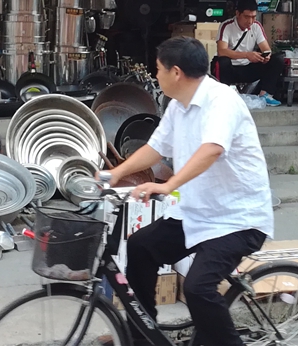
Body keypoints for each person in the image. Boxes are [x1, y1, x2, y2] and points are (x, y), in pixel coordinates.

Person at [106, 37, 274, 346]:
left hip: (237, 219)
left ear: (176, 73)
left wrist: (168, 184)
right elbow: (156, 147)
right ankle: (145, 337)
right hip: (196, 212)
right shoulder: (177, 106)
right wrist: (114, 174)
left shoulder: (222, 100)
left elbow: (212, 149)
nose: (155, 75)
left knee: (197, 289)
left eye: (158, 69)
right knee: (141, 248)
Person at [213, 0, 284, 106]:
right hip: (232, 69)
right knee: (223, 61)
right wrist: (246, 55)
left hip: (249, 67)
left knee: (277, 59)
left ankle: (265, 95)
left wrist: (265, 56)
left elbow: (266, 48)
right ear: (238, 13)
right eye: (246, 17)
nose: (250, 21)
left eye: (253, 17)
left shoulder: (256, 26)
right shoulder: (226, 26)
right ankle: (225, 96)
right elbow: (222, 51)